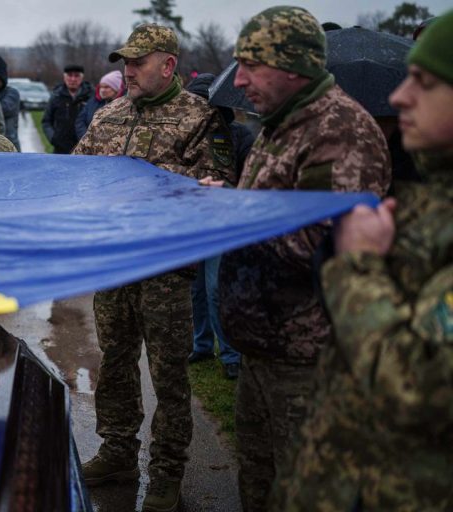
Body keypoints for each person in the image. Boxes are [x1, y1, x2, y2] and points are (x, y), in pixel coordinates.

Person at [210, 7, 391, 511]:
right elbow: (270, 207)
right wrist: (221, 202)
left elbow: (329, 247)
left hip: (310, 362)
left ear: (294, 65)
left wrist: (230, 216)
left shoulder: (339, 132)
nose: (238, 80)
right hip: (264, 349)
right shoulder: (280, 124)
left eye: (251, 65)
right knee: (259, 480)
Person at [273, 10, 453, 510]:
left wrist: (359, 267)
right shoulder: (430, 198)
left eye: (425, 83)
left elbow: (417, 389)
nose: (399, 97)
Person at [72, 24, 235, 512]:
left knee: (168, 374)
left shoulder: (199, 117)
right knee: (116, 362)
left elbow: (216, 183)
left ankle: (166, 470)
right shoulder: (109, 114)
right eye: (125, 61)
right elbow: (78, 172)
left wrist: (148, 182)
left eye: (138, 61)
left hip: (166, 270)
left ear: (168, 65)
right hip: (115, 263)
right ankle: (118, 451)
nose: (129, 70)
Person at [183, 72, 255, 380]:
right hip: (191, 224)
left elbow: (252, 184)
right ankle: (201, 344)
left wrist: (225, 191)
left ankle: (230, 353)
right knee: (196, 289)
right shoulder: (185, 134)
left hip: (223, 224)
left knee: (216, 289)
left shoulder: (239, 135)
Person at [43, 64, 93, 154]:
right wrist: (53, 138)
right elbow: (46, 121)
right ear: (64, 77)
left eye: (76, 76)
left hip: (84, 149)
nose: (73, 79)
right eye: (70, 75)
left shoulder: (90, 96)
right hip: (60, 149)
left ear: (82, 78)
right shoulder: (56, 96)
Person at [75, 70, 123, 140]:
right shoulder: (92, 102)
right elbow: (80, 121)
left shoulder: (125, 104)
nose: (102, 90)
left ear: (116, 89)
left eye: (106, 87)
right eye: (101, 87)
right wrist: (87, 138)